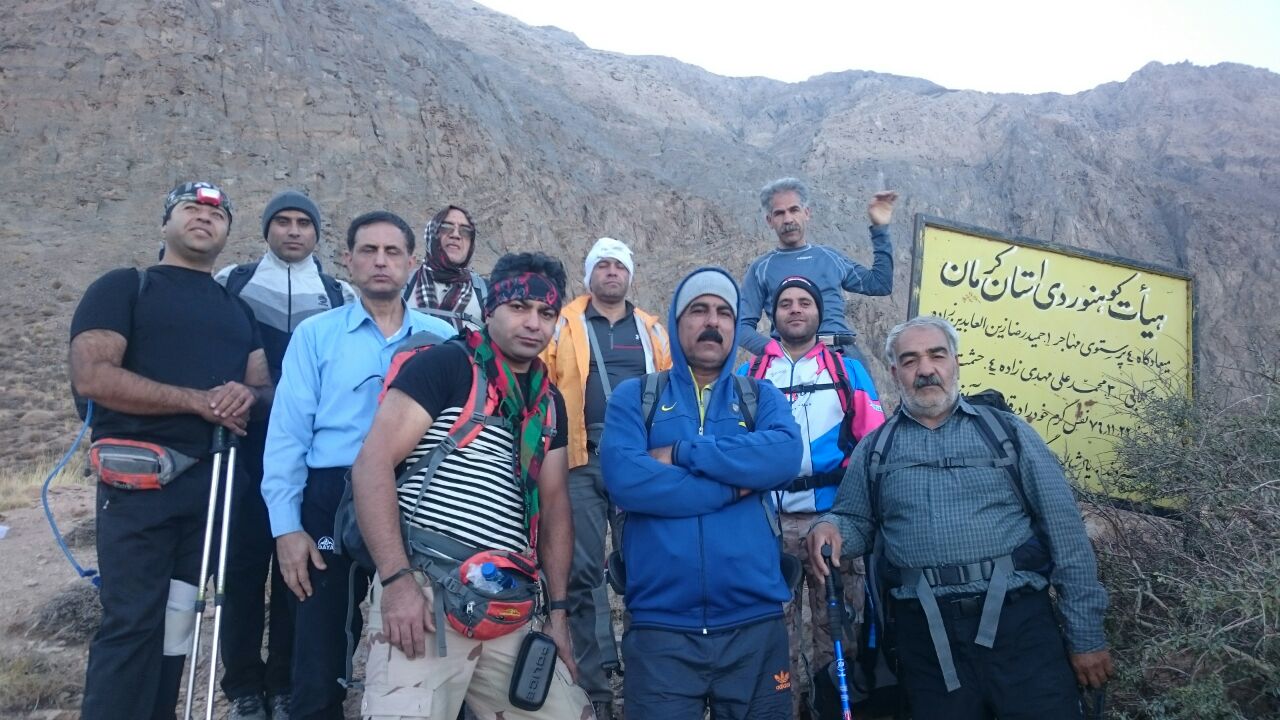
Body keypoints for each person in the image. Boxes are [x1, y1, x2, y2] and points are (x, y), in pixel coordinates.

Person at [807, 316, 1114, 720]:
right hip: (925, 641)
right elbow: (855, 520)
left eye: (937, 355)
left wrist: (1086, 636)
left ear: (955, 362)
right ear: (895, 373)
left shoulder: (1007, 433)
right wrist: (828, 526)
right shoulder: (876, 448)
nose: (926, 369)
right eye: (910, 360)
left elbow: (1066, 535)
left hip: (1021, 629)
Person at [351, 252, 593, 719]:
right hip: (425, 592)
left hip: (509, 601)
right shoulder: (447, 366)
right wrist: (397, 582)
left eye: (546, 313)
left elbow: (555, 505)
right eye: (519, 307)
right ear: (490, 309)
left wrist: (558, 616)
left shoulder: (548, 403)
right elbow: (372, 464)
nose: (533, 323)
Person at [71, 181, 271, 720]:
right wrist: (199, 402)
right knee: (131, 621)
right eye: (190, 209)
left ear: (228, 232)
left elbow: (262, 388)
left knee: (179, 622)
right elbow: (93, 376)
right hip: (138, 484)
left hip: (212, 488)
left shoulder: (237, 309)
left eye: (217, 214)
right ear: (165, 223)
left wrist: (246, 396)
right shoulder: (124, 287)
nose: (204, 218)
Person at [260, 211, 453, 720]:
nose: (380, 261)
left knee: (427, 635)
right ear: (348, 260)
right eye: (368, 250)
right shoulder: (315, 335)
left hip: (419, 493)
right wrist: (286, 528)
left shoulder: (442, 338)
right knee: (319, 650)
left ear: (412, 262)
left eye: (392, 252)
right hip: (330, 495)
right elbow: (287, 435)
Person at [599, 267, 804, 720]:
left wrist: (681, 452)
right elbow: (626, 479)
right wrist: (736, 485)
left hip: (754, 625)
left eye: (724, 312)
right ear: (677, 322)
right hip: (661, 629)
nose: (712, 321)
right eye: (699, 310)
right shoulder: (636, 397)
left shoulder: (761, 396)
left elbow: (785, 456)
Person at [214, 189, 356, 720]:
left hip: (308, 450)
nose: (293, 231)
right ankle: (242, 684)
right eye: (283, 222)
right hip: (246, 445)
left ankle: (285, 682)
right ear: (266, 229)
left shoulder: (338, 293)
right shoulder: (233, 281)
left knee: (298, 569)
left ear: (317, 233)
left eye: (303, 223)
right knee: (244, 565)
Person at [736, 275, 886, 716]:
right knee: (772, 632)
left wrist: (863, 515)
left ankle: (830, 708)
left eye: (805, 302)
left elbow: (873, 446)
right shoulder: (750, 375)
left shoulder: (847, 371)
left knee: (837, 630)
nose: (796, 309)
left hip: (832, 521)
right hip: (767, 523)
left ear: (820, 312)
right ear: (773, 314)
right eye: (786, 303)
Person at [539, 237, 671, 719]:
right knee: (580, 570)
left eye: (619, 266)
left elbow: (670, 389)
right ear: (589, 274)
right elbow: (544, 382)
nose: (612, 272)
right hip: (580, 457)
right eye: (603, 265)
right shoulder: (564, 324)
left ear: (630, 275)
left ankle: (645, 678)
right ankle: (594, 686)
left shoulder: (651, 330)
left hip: (638, 459)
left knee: (644, 567)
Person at [738, 177, 898, 363]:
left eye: (794, 210)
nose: (788, 219)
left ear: (806, 213)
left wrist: (880, 228)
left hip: (842, 355)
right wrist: (772, 350)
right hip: (790, 361)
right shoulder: (761, 269)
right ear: (769, 220)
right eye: (779, 213)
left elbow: (880, 284)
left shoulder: (829, 257)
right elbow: (741, 326)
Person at [404, 204, 488, 332]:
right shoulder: (403, 285)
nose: (455, 235)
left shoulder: (485, 293)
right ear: (433, 234)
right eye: (446, 228)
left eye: (465, 231)